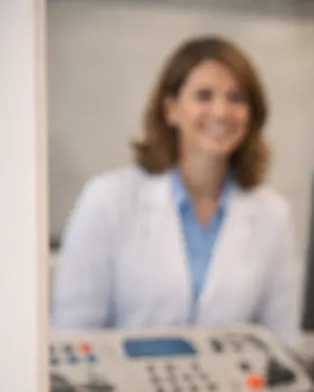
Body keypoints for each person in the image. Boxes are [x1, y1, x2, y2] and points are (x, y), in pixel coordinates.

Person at [51, 36, 301, 350]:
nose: (221, 111)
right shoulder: (108, 200)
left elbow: (284, 343)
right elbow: (71, 336)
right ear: (171, 109)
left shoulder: (272, 214)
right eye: (204, 96)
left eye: (236, 98)